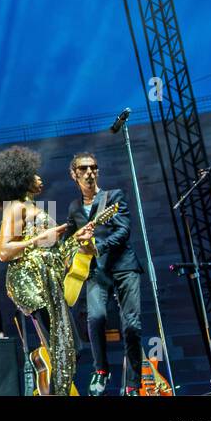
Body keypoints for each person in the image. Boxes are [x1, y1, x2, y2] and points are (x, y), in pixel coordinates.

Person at [0, 145, 95, 396]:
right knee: (62, 348)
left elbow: (53, 253)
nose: (39, 178)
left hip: (49, 281)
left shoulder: (35, 209)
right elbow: (4, 251)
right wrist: (40, 238)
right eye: (33, 174)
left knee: (70, 347)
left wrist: (78, 240)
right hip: (31, 284)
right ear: (21, 180)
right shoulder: (17, 209)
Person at [64, 152, 145, 396]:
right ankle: (101, 370)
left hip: (124, 267)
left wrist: (99, 246)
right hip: (95, 271)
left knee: (132, 325)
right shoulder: (74, 207)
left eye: (93, 168)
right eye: (83, 169)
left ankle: (132, 383)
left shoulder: (113, 197)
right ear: (74, 174)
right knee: (96, 318)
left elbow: (124, 230)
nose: (89, 172)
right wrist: (73, 244)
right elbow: (70, 237)